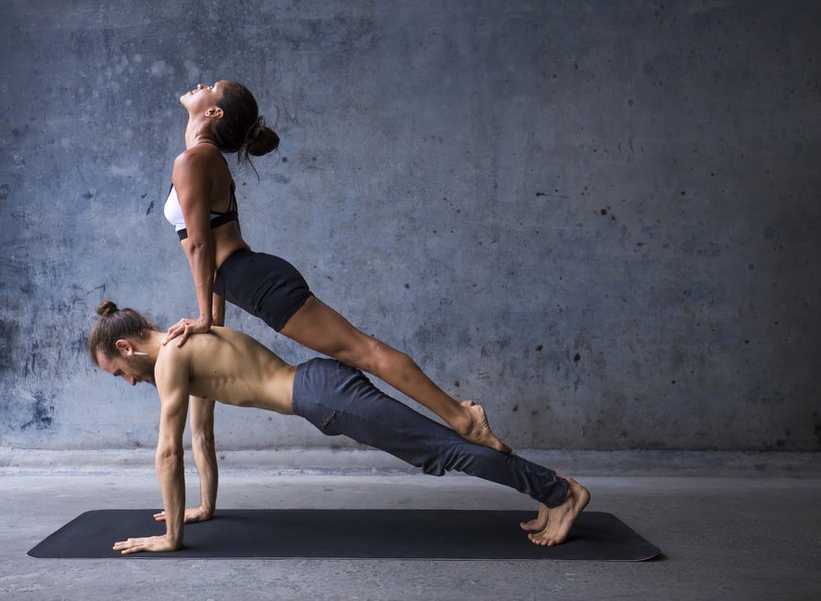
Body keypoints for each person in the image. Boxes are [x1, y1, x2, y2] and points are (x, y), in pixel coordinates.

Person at [163, 80, 510, 457]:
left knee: (362, 351)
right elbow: (213, 243)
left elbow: (200, 246)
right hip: (252, 277)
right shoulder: (200, 159)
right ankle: (460, 417)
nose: (201, 84)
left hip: (260, 283)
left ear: (214, 113)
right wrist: (211, 319)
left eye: (211, 86)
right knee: (362, 350)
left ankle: (462, 417)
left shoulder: (193, 161)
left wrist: (202, 317)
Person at [88, 301, 590, 554]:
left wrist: (171, 537)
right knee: (438, 450)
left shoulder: (171, 357)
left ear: (127, 348)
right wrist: (203, 508)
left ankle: (560, 492)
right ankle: (549, 492)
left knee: (442, 451)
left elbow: (169, 452)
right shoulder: (186, 345)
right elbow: (201, 438)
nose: (130, 383)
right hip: (321, 386)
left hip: (325, 397)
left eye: (119, 374)